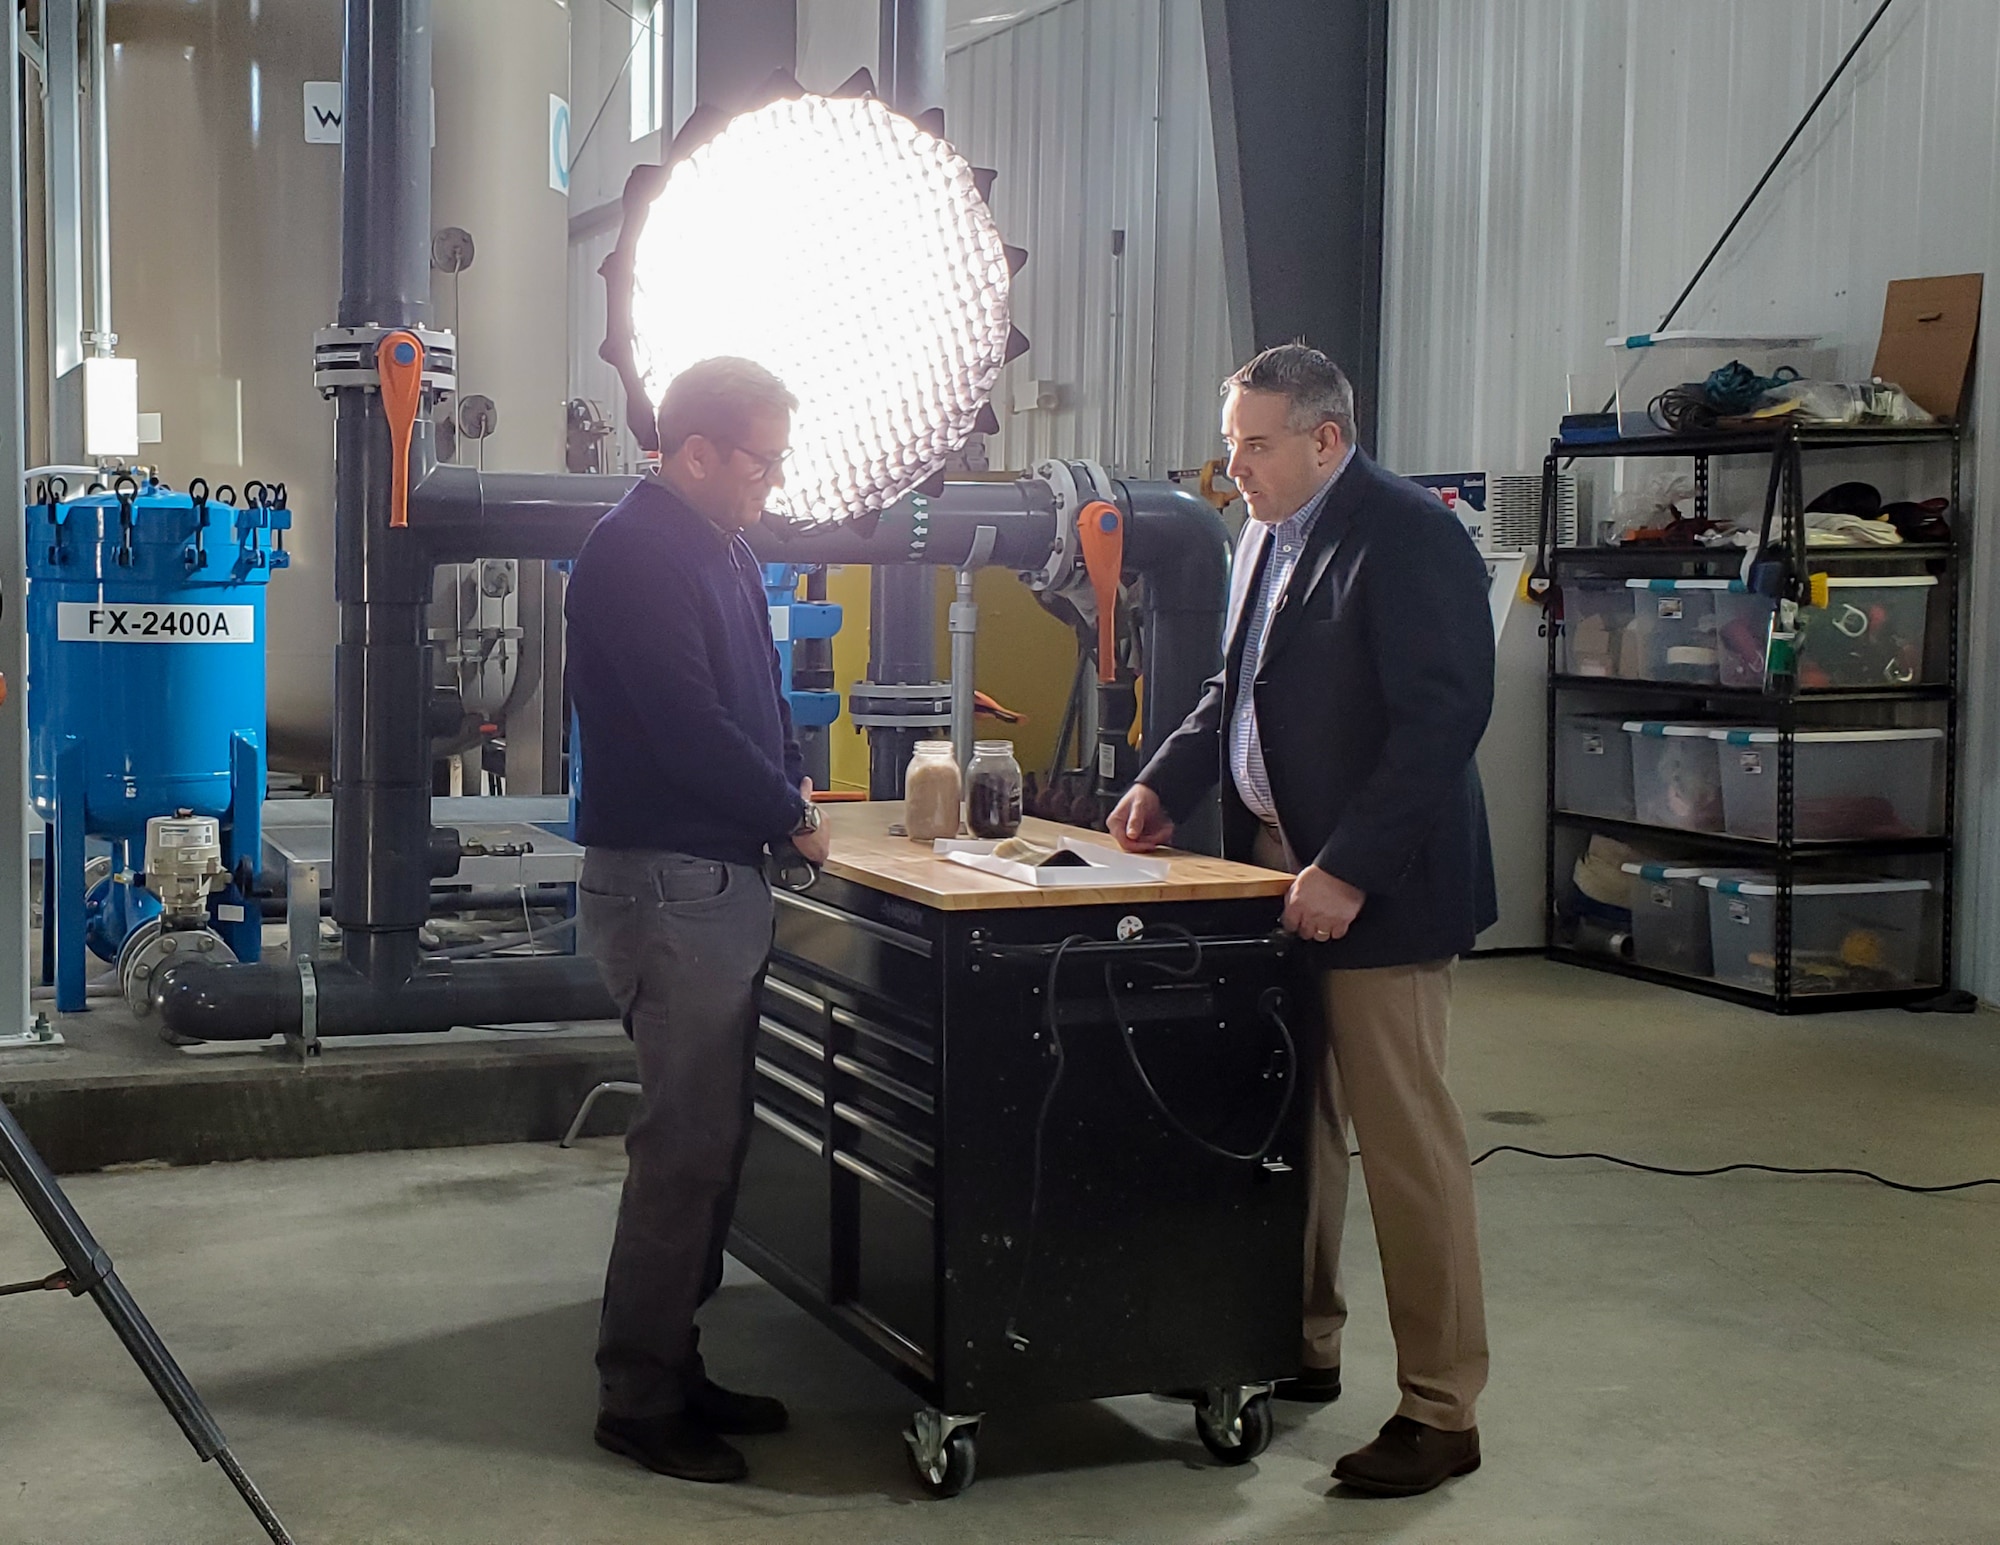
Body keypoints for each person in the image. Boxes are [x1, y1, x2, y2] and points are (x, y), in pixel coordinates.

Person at [1109, 344, 1496, 1498]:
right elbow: (1235, 688)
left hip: (1372, 890)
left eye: (1255, 445)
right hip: (1270, 877)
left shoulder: (1406, 534)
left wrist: (1345, 866)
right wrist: (1164, 782)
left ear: (1325, 439)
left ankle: (1440, 1408)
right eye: (1229, 446)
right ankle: (1301, 1345)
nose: (1234, 469)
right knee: (1295, 1130)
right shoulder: (1264, 536)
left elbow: (1441, 721)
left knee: (1404, 1151)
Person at [565, 356, 831, 1485]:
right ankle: (637, 1398)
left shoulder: (718, 545)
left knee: (710, 1143)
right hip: (670, 885)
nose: (768, 483)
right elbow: (684, 725)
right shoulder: (633, 553)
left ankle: (675, 1361)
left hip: (713, 877)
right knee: (681, 1151)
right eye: (758, 461)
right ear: (693, 452)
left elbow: (749, 707)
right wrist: (787, 810)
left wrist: (792, 788)